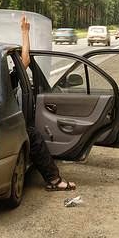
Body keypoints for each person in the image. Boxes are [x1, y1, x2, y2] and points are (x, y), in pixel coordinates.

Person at [15, 15, 76, 191]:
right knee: (33, 136)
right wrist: (25, 32)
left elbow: (24, 60)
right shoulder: (4, 76)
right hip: (3, 118)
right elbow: (25, 61)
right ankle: (54, 180)